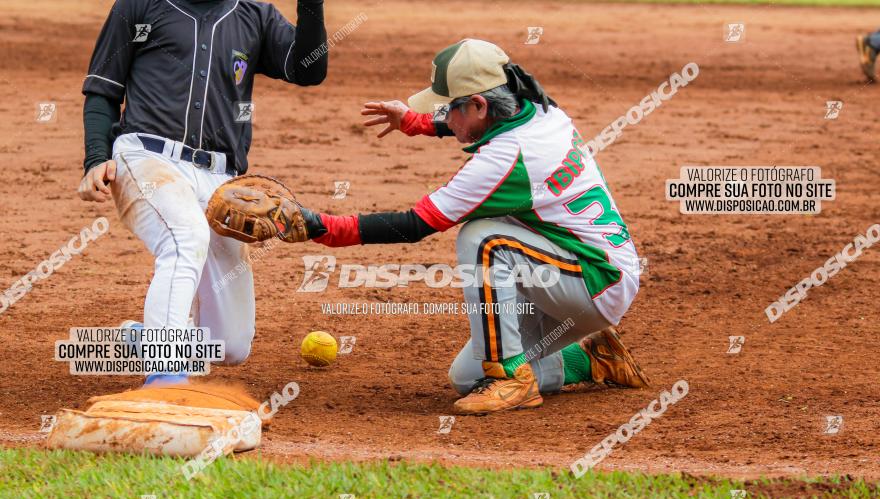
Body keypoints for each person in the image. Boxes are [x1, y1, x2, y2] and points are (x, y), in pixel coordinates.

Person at [296, 39, 650, 415]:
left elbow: (417, 224)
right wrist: (416, 123)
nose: (446, 117)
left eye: (450, 109)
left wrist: (321, 228)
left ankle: (511, 379)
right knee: (467, 377)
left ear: (479, 105)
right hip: (570, 272)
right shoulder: (543, 112)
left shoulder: (504, 159)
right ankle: (592, 358)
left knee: (483, 238)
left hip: (593, 281)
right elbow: (481, 123)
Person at [77, 0, 327, 385]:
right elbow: (103, 90)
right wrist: (96, 158)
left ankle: (150, 338)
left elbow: (308, 70)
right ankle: (164, 378)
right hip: (146, 157)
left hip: (221, 183)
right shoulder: (138, 5)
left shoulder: (254, 14)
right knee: (184, 238)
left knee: (229, 344)